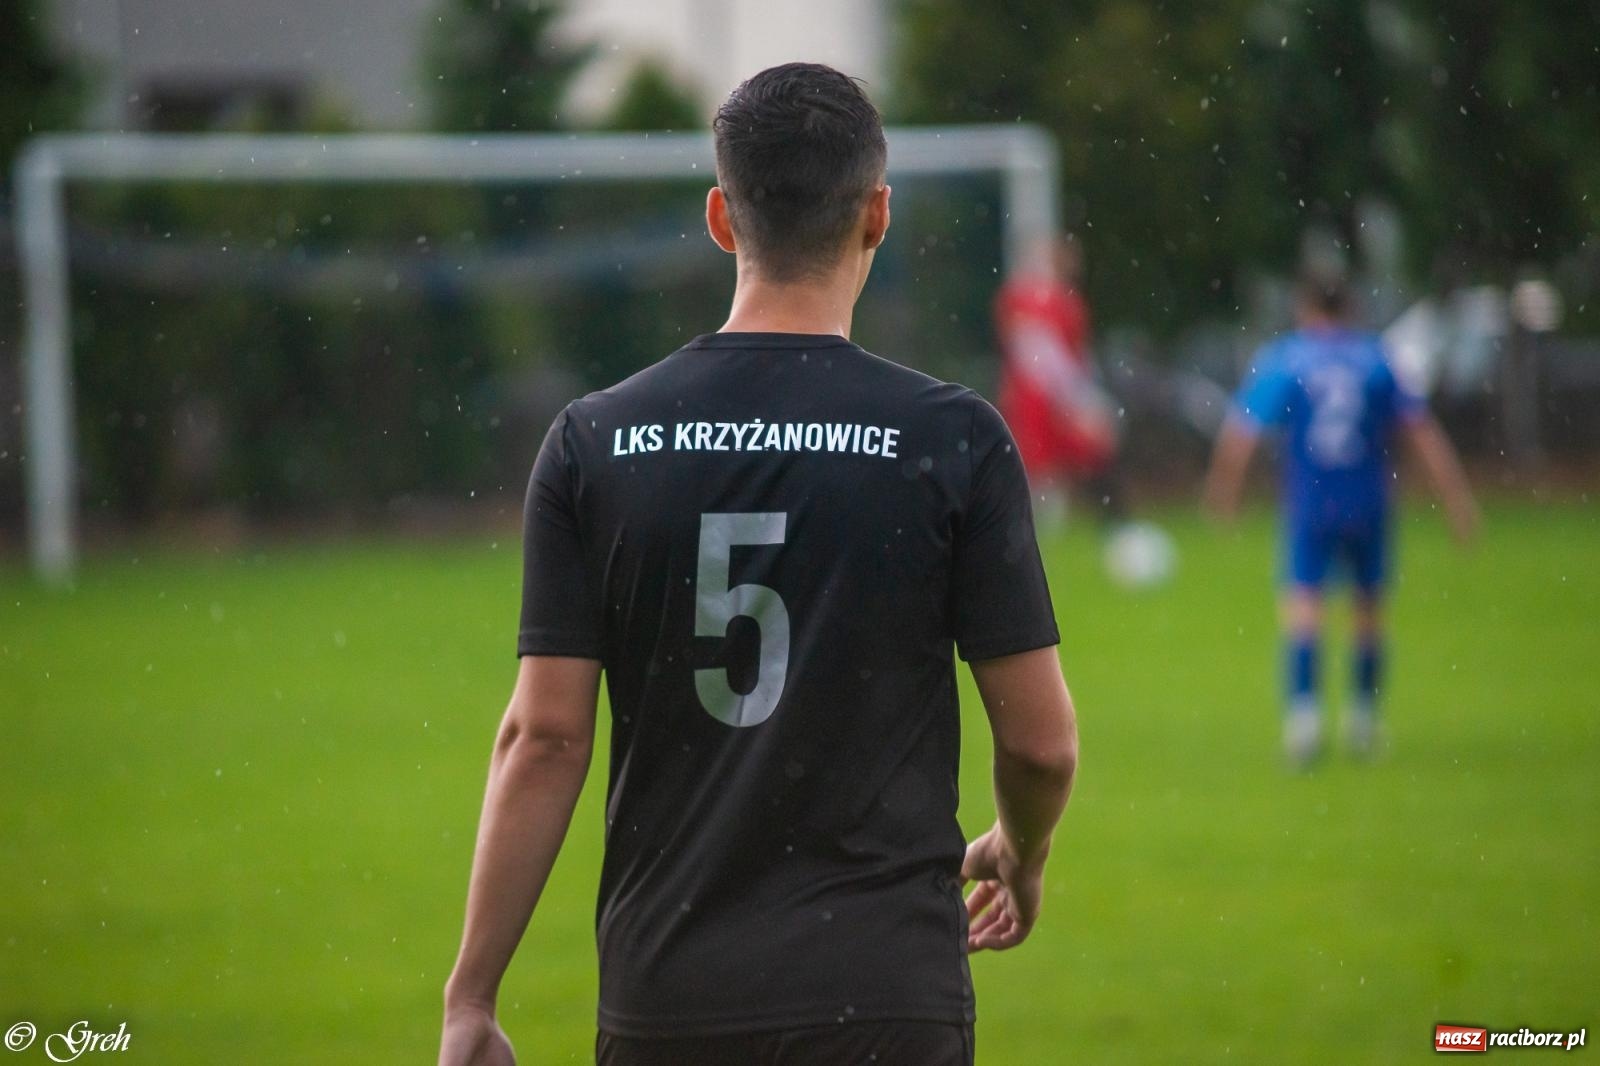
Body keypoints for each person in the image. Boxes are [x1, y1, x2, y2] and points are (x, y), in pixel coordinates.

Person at [439, 63, 1079, 1066]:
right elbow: (1041, 746)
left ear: (719, 218)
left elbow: (544, 738)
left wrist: (470, 996)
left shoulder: (592, 442)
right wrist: (1019, 850)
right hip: (884, 996)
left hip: (673, 993)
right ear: (876, 215)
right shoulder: (952, 441)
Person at [1202, 273, 1478, 766]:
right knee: (1368, 613)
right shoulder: (1376, 360)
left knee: (1304, 609)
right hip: (1369, 502)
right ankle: (1363, 722)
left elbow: (1242, 431)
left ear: (1306, 309)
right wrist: (1456, 502)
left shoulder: (1288, 358)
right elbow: (1421, 431)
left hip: (1312, 505)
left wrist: (1224, 495)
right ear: (1349, 310)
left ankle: (1304, 723)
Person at [993, 234, 1123, 527]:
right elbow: (1036, 355)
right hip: (1040, 399)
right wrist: (1078, 399)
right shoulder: (1026, 299)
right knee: (1038, 465)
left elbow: (1077, 354)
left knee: (1082, 457)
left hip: (1053, 396)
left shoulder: (1067, 301)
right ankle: (1026, 531)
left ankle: (1108, 524)